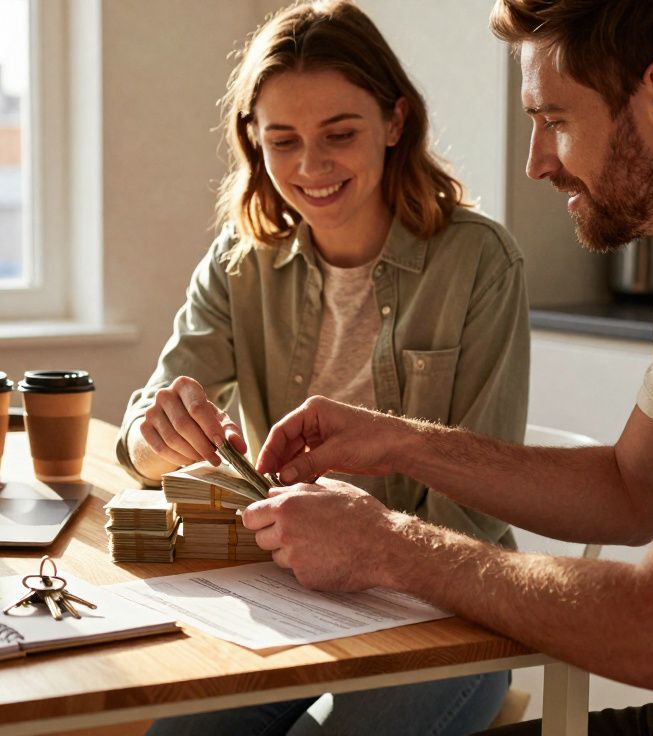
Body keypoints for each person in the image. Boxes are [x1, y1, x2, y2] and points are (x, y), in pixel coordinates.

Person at [243, 1, 653, 735]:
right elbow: (632, 489)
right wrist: (400, 443)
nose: (537, 161)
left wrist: (387, 545)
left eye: (555, 119)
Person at [117, 2, 532, 733]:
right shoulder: (238, 265)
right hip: (287, 594)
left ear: (395, 123)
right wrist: (158, 432)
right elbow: (142, 441)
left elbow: (481, 501)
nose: (310, 168)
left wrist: (367, 549)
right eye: (283, 141)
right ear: (254, 141)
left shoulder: (479, 264)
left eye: (340, 134)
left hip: (444, 613)